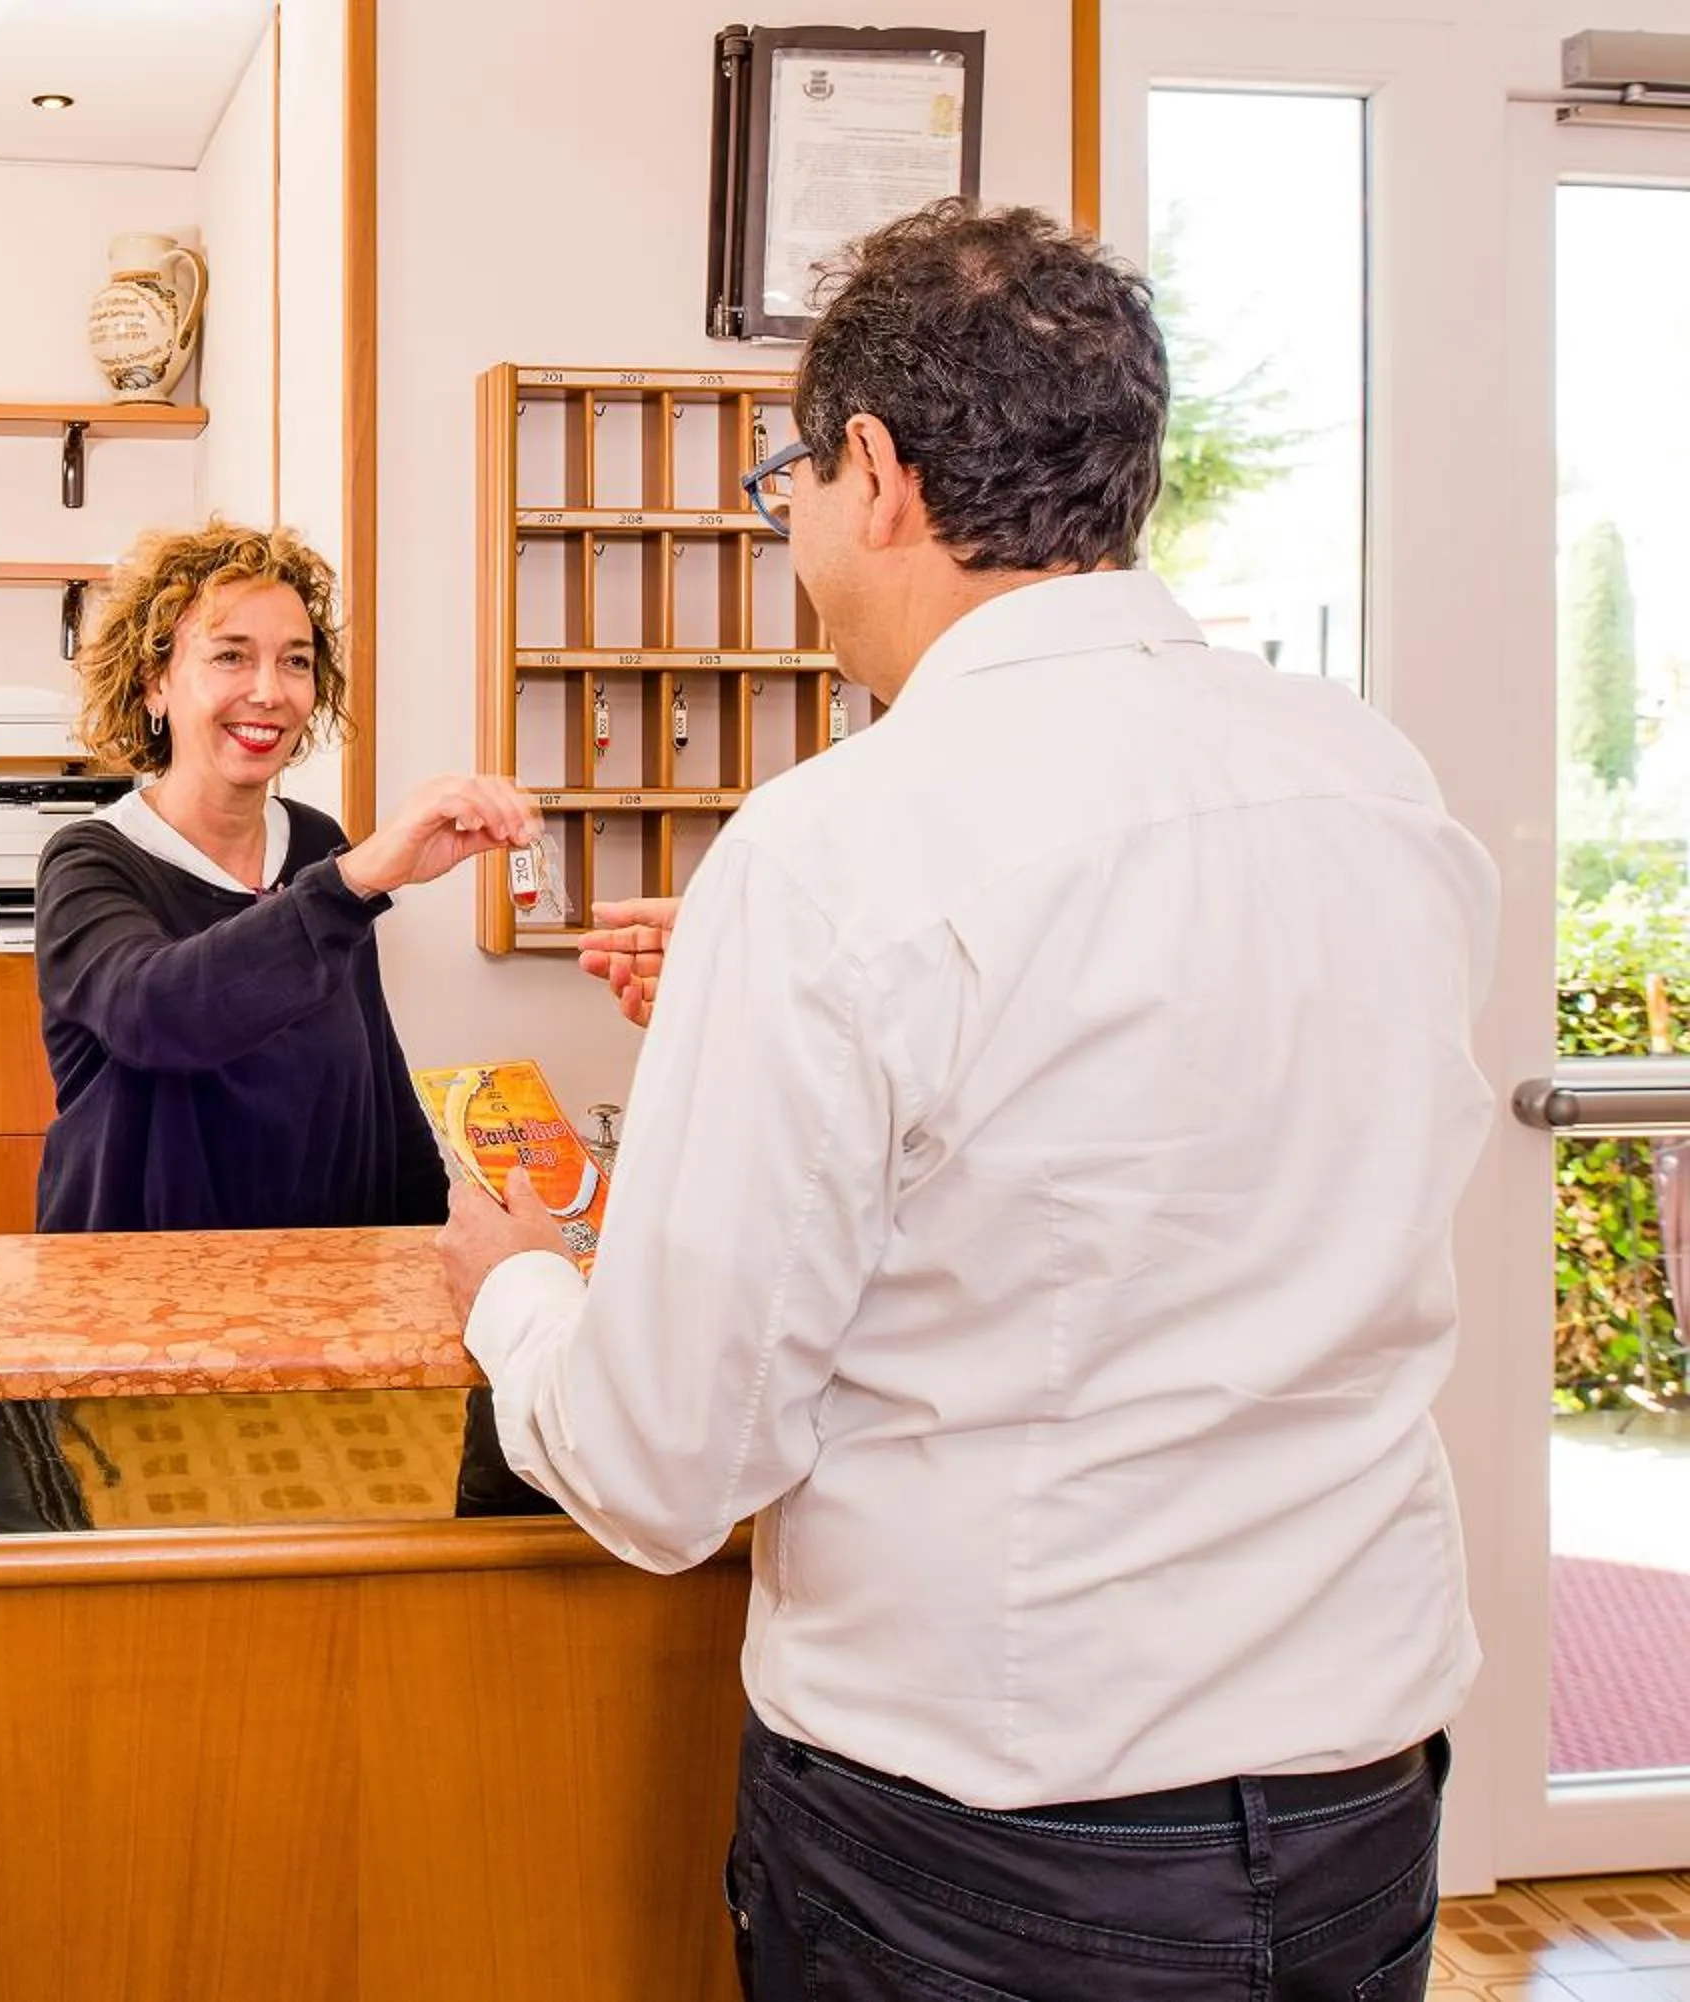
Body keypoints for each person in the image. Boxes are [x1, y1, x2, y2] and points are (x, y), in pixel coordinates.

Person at [434, 201, 1494, 2002]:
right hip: (1356, 1816)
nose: (794, 535)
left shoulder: (841, 851)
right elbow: (1182, 1118)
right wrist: (782, 1024)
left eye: (787, 481)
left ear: (873, 472)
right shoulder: (1372, 778)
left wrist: (516, 1285)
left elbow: (668, 1460)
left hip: (992, 1850)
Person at [37, 518, 558, 1518]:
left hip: (318, 1311)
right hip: (141, 1320)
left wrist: (443, 1242)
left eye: (295, 661)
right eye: (230, 655)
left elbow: (365, 1066)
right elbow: (164, 1011)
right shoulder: (90, 865)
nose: (268, 691)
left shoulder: (312, 844)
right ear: (155, 683)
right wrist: (361, 877)